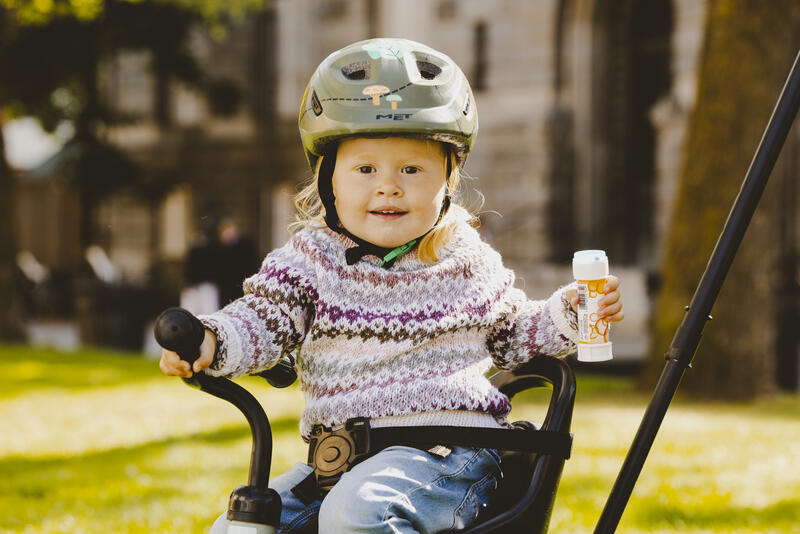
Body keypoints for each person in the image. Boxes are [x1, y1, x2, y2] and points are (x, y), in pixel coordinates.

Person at [159, 38, 624, 534]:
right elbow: (264, 318)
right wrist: (210, 339)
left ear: (448, 179)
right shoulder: (310, 261)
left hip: (448, 455)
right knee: (234, 528)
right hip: (337, 463)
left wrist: (569, 312)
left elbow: (512, 333)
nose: (388, 185)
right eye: (364, 169)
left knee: (360, 514)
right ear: (328, 181)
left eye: (412, 168)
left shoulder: (464, 260)